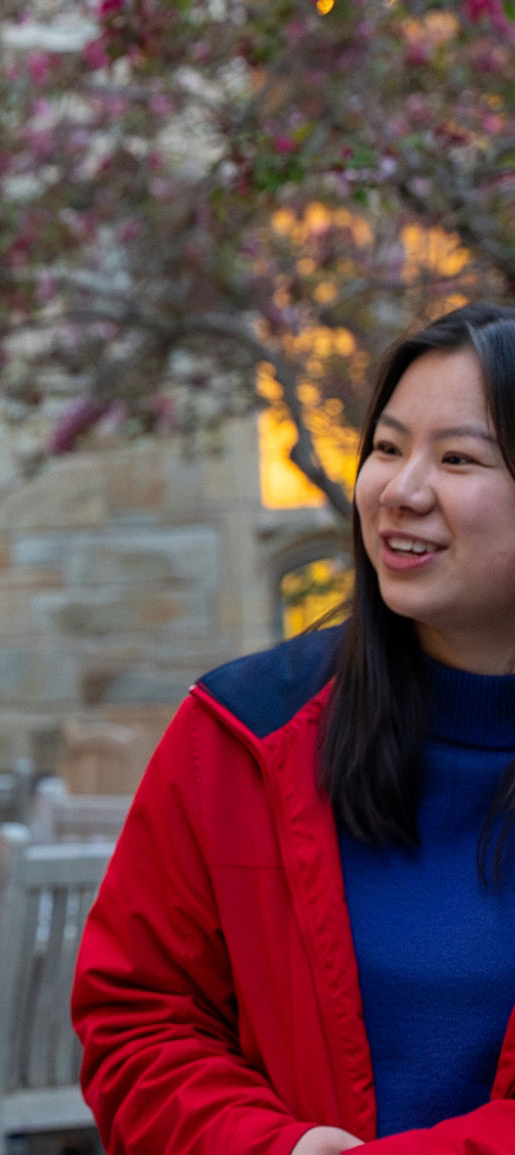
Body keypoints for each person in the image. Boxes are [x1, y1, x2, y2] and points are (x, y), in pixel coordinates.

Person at [74, 303, 515, 1154]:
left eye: (457, 458)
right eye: (387, 447)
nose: (401, 489)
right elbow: (136, 1020)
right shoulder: (241, 733)